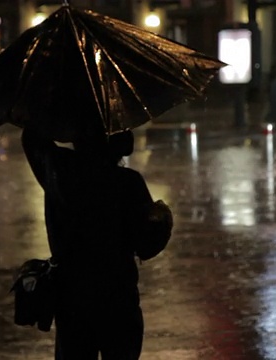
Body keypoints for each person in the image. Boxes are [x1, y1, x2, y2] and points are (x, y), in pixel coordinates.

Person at [21, 124, 172, 360]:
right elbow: (146, 244)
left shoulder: (60, 172)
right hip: (118, 295)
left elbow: (32, 136)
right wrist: (161, 220)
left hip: (72, 295)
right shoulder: (128, 183)